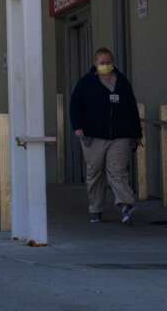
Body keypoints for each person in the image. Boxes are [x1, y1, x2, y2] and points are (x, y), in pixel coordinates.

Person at [69, 47, 142, 224]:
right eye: (102, 63)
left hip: (120, 135)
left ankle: (126, 205)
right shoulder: (86, 83)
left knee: (117, 172)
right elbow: (75, 105)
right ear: (95, 64)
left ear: (113, 62)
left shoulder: (122, 82)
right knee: (94, 172)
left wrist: (136, 133)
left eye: (108, 62)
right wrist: (77, 126)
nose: (106, 65)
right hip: (93, 136)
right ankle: (95, 208)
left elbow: (131, 108)